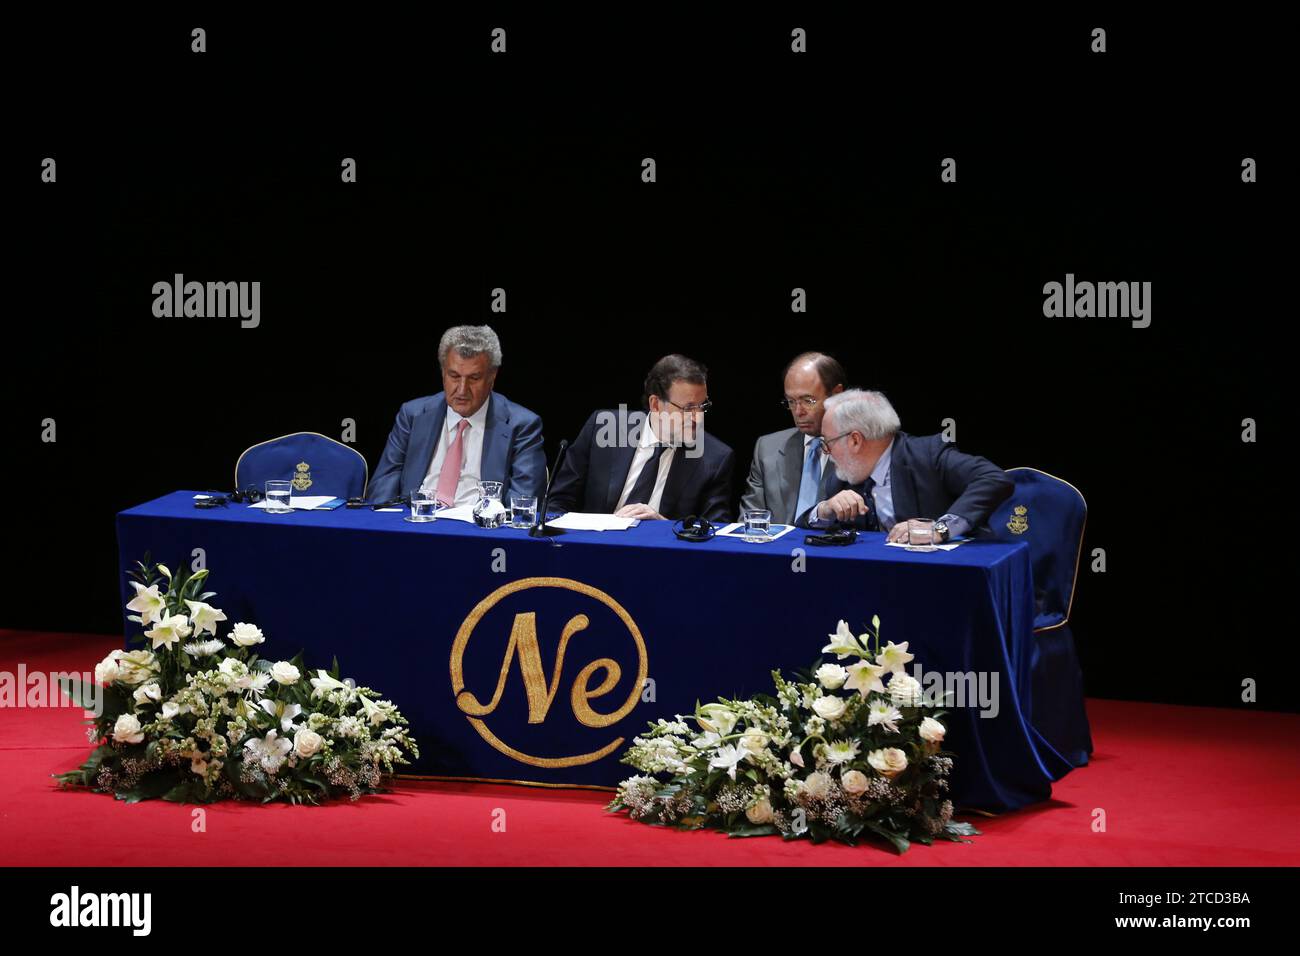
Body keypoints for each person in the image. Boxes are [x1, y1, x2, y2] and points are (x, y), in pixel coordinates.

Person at [798, 389, 1012, 541]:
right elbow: (803, 527)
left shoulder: (928, 455)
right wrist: (825, 509)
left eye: (828, 443)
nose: (826, 452)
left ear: (855, 440)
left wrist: (941, 529)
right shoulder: (841, 479)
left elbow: (994, 479)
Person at [368, 325, 545, 505]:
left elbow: (524, 501)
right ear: (443, 371)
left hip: (479, 529)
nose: (461, 390)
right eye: (454, 376)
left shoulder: (521, 425)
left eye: (474, 378)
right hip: (416, 522)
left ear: (492, 377)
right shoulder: (413, 415)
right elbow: (383, 485)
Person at [548, 354, 734, 522]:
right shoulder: (603, 428)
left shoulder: (714, 459)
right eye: (688, 408)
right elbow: (557, 502)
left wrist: (664, 527)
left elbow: (714, 531)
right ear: (655, 404)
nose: (698, 417)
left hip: (662, 556)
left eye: (703, 406)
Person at [740, 351, 847, 525]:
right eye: (791, 401)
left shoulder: (860, 449)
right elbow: (750, 520)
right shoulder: (767, 448)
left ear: (837, 394)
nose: (798, 412)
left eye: (808, 400)